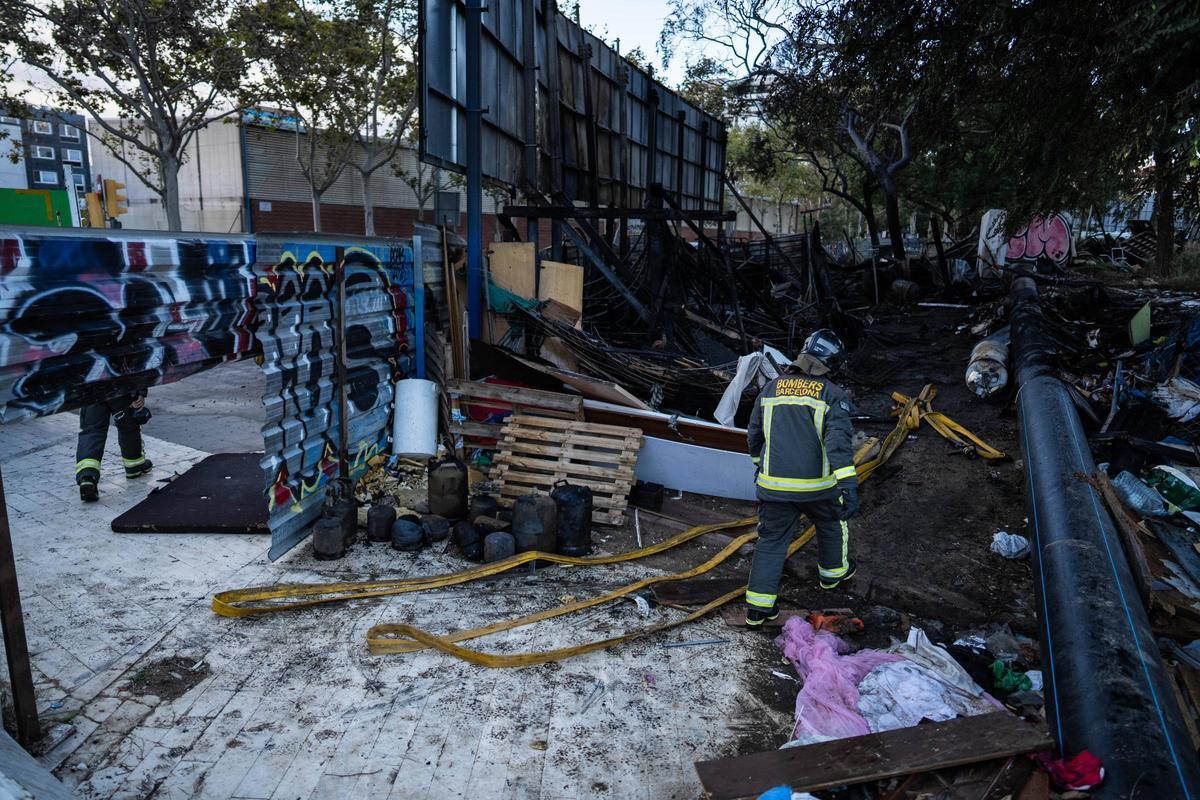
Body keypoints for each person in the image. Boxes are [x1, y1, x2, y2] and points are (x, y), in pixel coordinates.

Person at [744, 329, 859, 627]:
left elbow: (754, 434)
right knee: (832, 522)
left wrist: (761, 465)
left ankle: (758, 609)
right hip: (818, 489)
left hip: (774, 488)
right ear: (831, 362)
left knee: (770, 541)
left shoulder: (771, 389)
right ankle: (832, 576)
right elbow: (838, 444)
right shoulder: (832, 395)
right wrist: (848, 484)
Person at [75, 393, 153, 502]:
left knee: (92, 431)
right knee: (128, 427)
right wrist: (139, 392)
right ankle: (134, 466)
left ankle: (87, 477)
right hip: (119, 387)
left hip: (91, 389)